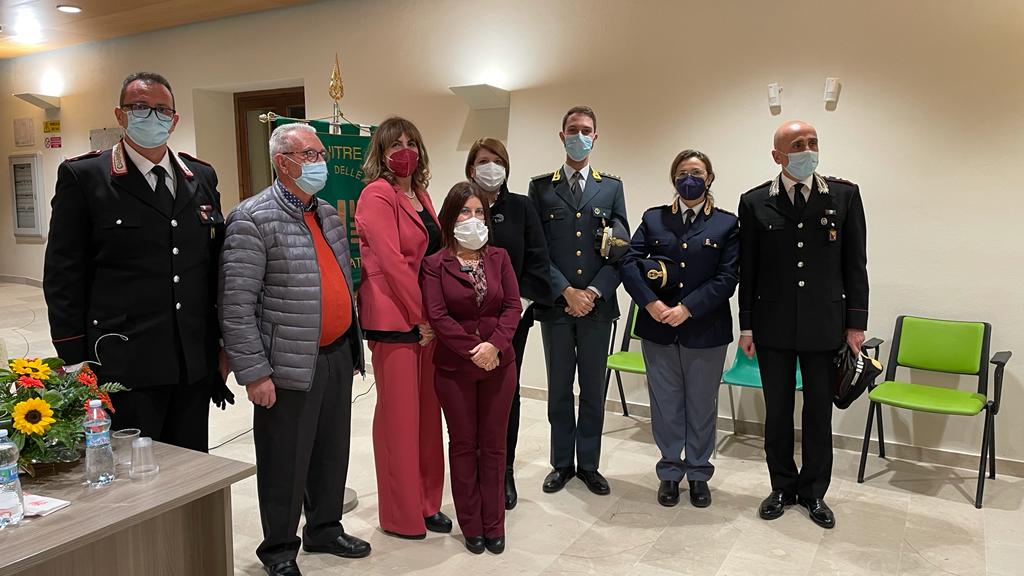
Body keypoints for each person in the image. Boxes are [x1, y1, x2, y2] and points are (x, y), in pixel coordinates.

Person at [43, 71, 230, 453]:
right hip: (123, 362)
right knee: (133, 471)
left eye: (162, 110)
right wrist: (74, 360)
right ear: (120, 114)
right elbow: (64, 275)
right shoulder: (86, 177)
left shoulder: (200, 176)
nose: (152, 116)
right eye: (140, 107)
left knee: (192, 466)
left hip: (191, 360)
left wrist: (222, 345)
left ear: (174, 120)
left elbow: (213, 270)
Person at [220, 123, 370, 576]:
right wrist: (254, 373)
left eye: (321, 154)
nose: (320, 162)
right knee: (285, 460)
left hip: (335, 354)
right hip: (286, 363)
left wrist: (352, 345)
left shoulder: (326, 214)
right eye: (309, 155)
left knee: (331, 452)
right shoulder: (251, 218)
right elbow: (236, 305)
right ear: (282, 162)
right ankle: (280, 549)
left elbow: (340, 281)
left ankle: (324, 528)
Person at [738, 120, 869, 530]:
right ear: (777, 156)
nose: (808, 150)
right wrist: (747, 327)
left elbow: (855, 264)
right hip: (772, 325)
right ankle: (781, 487)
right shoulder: (755, 201)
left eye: (812, 142)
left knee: (817, 414)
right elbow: (748, 269)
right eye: (798, 145)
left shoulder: (844, 195)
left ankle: (813, 492)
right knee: (777, 413)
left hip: (824, 325)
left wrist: (856, 324)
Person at [621, 150, 739, 508]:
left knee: (702, 406)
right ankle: (670, 472)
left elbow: (728, 277)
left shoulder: (726, 224)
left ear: (710, 178)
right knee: (666, 405)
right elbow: (628, 262)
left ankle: (699, 473)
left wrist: (688, 308)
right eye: (683, 172)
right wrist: (650, 303)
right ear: (673, 178)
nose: (690, 178)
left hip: (705, 330)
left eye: (697, 172)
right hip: (658, 327)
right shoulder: (654, 219)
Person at [355, 116, 450, 539]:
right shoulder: (376, 194)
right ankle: (400, 514)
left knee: (428, 418)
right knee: (399, 420)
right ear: (381, 152)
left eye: (411, 142)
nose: (404, 150)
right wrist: (420, 317)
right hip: (397, 319)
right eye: (395, 144)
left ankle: (427, 503)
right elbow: (393, 263)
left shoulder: (422, 195)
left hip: (426, 319)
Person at [527, 105, 629, 496]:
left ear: (595, 137)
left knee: (591, 390)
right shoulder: (541, 188)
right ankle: (561, 464)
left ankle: (588, 465)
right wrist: (566, 291)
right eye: (573, 129)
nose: (579, 136)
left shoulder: (611, 188)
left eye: (586, 130)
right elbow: (536, 251)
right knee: (558, 389)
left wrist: (592, 292)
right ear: (562, 135)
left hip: (597, 307)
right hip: (557, 305)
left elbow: (621, 250)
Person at [421, 182, 522, 554]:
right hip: (454, 369)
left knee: (494, 446)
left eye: (480, 212)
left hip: (499, 365)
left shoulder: (500, 258)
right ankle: (472, 525)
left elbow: (512, 306)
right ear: (450, 217)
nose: (473, 219)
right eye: (465, 211)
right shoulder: (435, 264)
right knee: (464, 446)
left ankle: (494, 524)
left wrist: (494, 345)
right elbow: (438, 316)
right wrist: (473, 350)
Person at [465, 138, 552, 510]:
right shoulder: (460, 206)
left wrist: (517, 310)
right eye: (484, 160)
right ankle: (472, 470)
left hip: (513, 321)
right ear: (471, 168)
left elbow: (537, 261)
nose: (491, 167)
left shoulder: (522, 207)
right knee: (468, 395)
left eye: (498, 160)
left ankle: (504, 471)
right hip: (467, 324)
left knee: (505, 395)